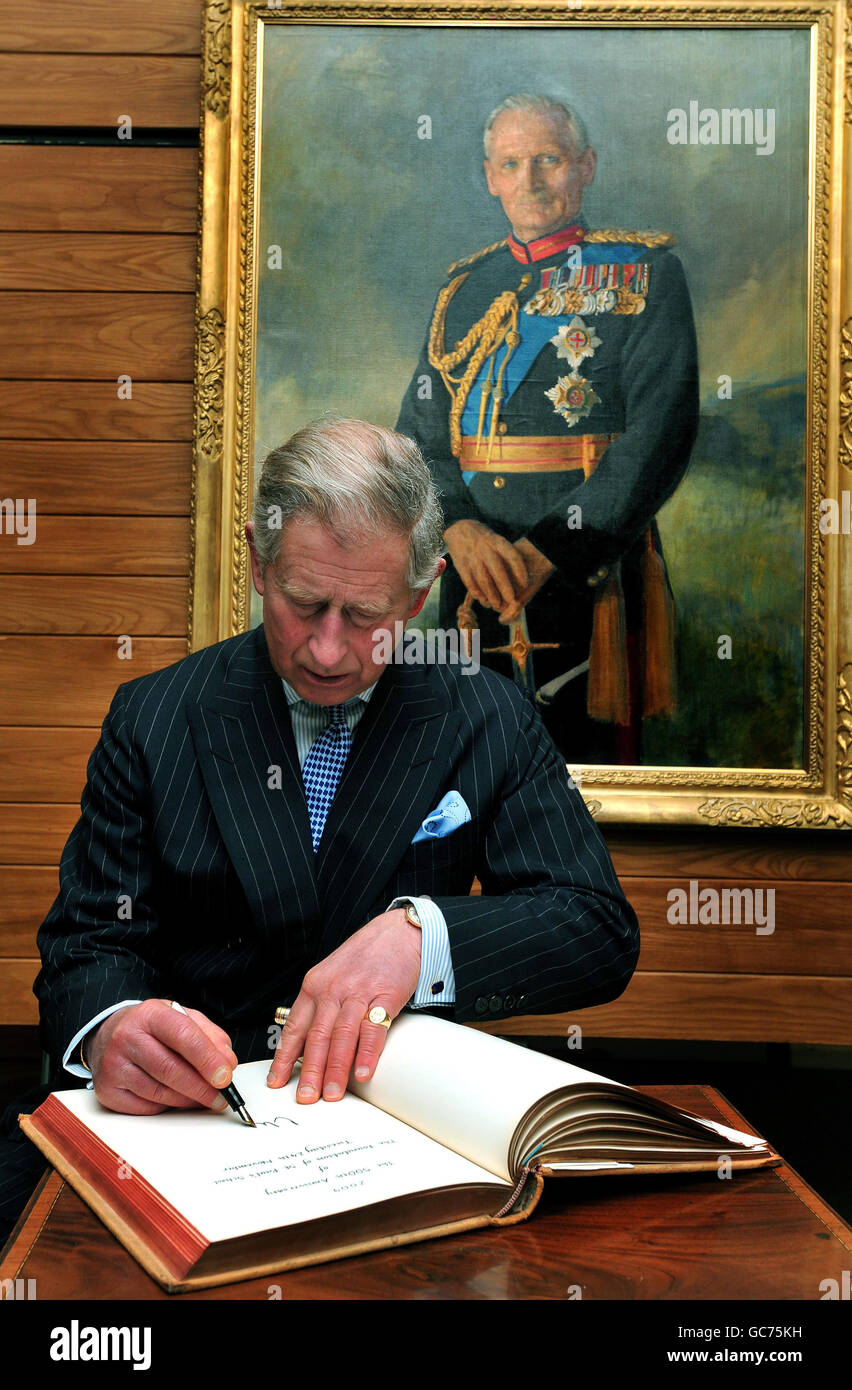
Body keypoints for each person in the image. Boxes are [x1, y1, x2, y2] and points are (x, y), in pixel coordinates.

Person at [3, 417, 637, 1237]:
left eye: (365, 615)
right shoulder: (155, 714)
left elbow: (595, 927)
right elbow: (89, 944)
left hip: (398, 1135)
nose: (330, 651)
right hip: (187, 1126)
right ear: (259, 564)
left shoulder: (488, 713)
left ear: (420, 592)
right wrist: (111, 1030)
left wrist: (422, 936)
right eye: (304, 605)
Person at [397, 93, 699, 763]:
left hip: (587, 576)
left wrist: (545, 555)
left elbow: (658, 437)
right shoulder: (463, 288)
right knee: (469, 777)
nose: (530, 181)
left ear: (586, 167)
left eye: (548, 160)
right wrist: (460, 529)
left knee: (581, 783)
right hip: (474, 575)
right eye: (512, 163)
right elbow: (417, 438)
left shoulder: (646, 274)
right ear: (489, 177)